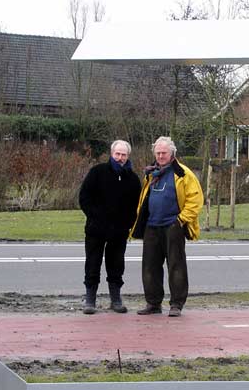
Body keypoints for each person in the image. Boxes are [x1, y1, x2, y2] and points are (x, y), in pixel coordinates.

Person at [130, 136, 203, 317]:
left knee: (176, 266)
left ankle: (176, 304)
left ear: (172, 153)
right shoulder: (150, 173)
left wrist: (180, 220)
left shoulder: (184, 174)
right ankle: (153, 303)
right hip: (151, 226)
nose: (161, 156)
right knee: (150, 267)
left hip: (173, 226)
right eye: (158, 153)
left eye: (164, 153)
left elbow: (195, 200)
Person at [78, 140, 141, 314]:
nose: (120, 158)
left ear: (128, 156)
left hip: (119, 231)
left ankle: (116, 300)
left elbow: (136, 205)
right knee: (92, 263)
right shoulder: (97, 172)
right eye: (117, 154)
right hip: (96, 229)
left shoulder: (133, 179)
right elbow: (84, 197)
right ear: (111, 154)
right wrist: (95, 216)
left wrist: (128, 223)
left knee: (116, 264)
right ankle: (90, 300)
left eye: (124, 155)